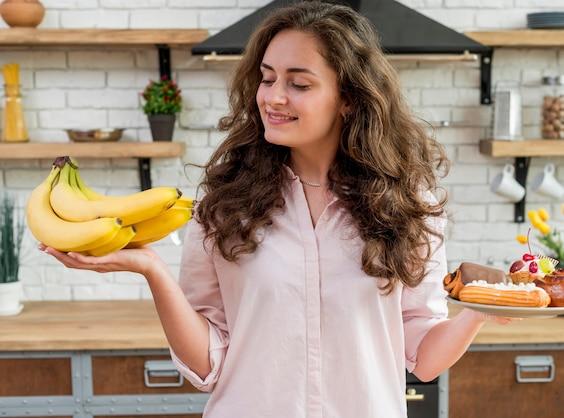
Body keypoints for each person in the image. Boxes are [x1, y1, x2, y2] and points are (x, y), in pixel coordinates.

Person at [41, 1, 517, 417]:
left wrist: (476, 312)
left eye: (299, 84)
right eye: (267, 79)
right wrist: (152, 270)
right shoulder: (224, 203)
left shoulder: (408, 205)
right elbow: (207, 366)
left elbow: (424, 354)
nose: (273, 97)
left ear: (348, 99)